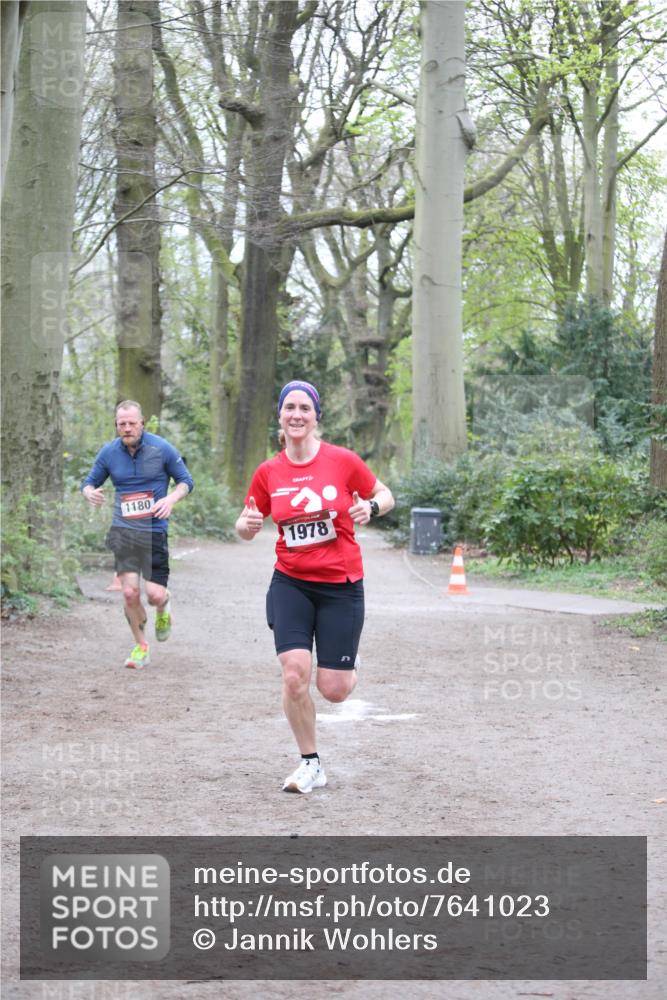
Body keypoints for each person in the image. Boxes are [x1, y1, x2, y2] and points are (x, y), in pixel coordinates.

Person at [236, 380, 394, 794]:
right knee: (293, 675)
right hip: (290, 583)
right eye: (289, 407)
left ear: (316, 416)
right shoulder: (268, 472)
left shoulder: (342, 461)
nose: (297, 415)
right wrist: (247, 526)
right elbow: (245, 522)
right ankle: (311, 763)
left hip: (341, 585)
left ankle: (345, 659)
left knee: (334, 690)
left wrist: (371, 506)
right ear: (280, 416)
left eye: (305, 408)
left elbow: (385, 494)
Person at [81, 400, 193, 670]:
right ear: (116, 425)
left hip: (154, 531)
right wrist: (90, 493)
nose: (127, 428)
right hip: (123, 531)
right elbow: (88, 482)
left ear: (142, 423)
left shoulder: (161, 448)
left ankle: (164, 607)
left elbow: (186, 481)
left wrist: (171, 499)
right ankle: (141, 646)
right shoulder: (109, 453)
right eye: (122, 424)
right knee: (130, 594)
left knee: (153, 594)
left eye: (132, 423)